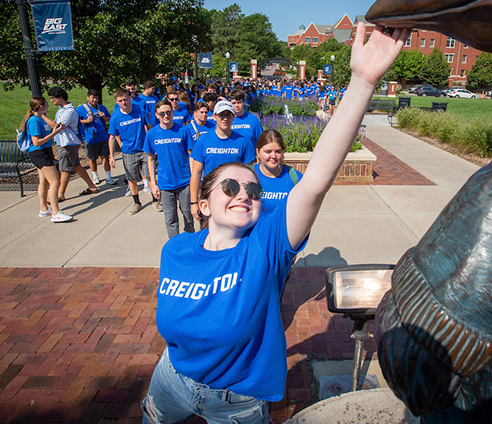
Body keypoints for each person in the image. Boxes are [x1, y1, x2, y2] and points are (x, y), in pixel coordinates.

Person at [141, 23, 408, 424]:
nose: (245, 193)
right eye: (230, 185)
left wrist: (362, 82)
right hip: (170, 380)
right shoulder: (175, 250)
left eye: (253, 191)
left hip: (235, 401)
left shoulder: (264, 246)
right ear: (204, 205)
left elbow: (316, 179)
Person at [189, 100, 257, 221]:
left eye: (228, 115)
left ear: (233, 117)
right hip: (211, 194)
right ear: (214, 117)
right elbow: (196, 173)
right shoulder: (204, 140)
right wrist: (194, 202)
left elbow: (249, 173)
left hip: (234, 196)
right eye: (221, 115)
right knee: (209, 234)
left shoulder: (242, 141)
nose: (225, 118)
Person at [144, 100, 195, 237]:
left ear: (173, 112)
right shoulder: (152, 134)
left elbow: (191, 154)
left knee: (188, 213)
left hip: (184, 181)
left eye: (168, 112)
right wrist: (153, 184)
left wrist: (193, 178)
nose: (166, 116)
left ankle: (189, 240)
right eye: (162, 114)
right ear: (156, 115)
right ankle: (174, 244)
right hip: (165, 183)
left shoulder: (183, 131)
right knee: (170, 218)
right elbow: (150, 159)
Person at [19, 96, 72, 223]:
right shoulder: (34, 121)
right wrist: (54, 134)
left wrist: (54, 131)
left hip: (44, 152)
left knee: (44, 181)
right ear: (41, 106)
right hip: (39, 153)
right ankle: (56, 213)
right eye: (46, 103)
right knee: (55, 182)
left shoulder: (40, 119)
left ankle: (44, 209)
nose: (49, 105)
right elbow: (36, 142)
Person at [109, 88, 158, 214]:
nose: (123, 102)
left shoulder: (139, 110)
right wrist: (112, 156)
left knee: (151, 176)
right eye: (120, 101)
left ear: (129, 98)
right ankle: (137, 202)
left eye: (125, 99)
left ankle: (155, 200)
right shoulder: (115, 117)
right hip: (128, 151)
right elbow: (112, 136)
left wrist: (153, 145)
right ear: (116, 101)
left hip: (144, 149)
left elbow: (148, 128)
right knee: (132, 178)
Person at [47, 86, 99, 201]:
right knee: (76, 166)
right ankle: (92, 186)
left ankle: (60, 195)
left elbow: (58, 126)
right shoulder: (62, 109)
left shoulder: (69, 111)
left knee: (65, 169)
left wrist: (41, 115)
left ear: (60, 97)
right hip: (66, 142)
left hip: (68, 143)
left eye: (52, 98)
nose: (51, 100)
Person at [252, 129, 302, 215]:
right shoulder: (247, 175)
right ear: (258, 152)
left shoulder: (295, 178)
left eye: (278, 151)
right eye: (268, 152)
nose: (273, 156)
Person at [77, 89, 116, 185]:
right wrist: (86, 121)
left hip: (102, 137)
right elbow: (76, 122)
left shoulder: (101, 108)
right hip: (90, 138)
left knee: (105, 157)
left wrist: (104, 117)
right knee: (92, 158)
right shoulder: (81, 109)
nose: (95, 100)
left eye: (96, 98)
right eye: (93, 98)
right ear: (88, 97)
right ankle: (95, 176)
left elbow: (110, 120)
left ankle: (108, 177)